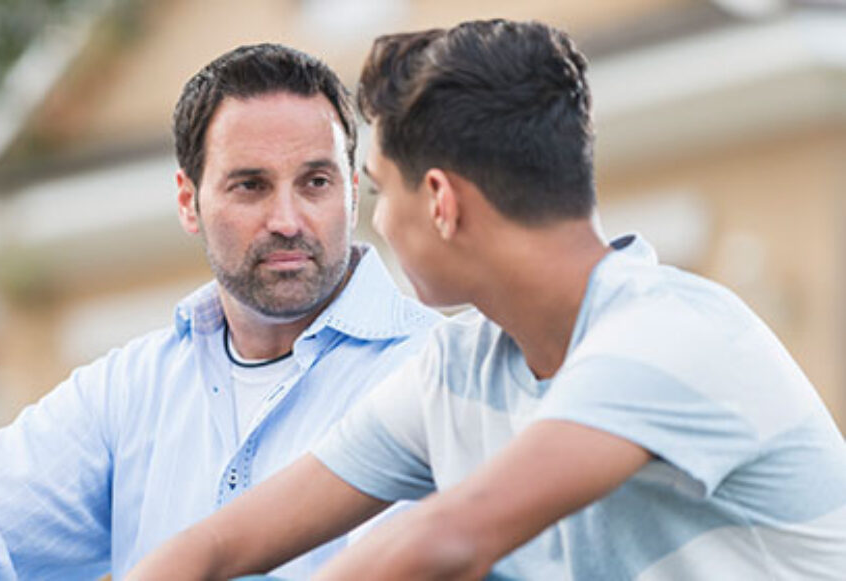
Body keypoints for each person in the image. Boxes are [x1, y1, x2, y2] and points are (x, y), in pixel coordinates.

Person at [127, 19, 846, 580]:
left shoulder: (672, 335)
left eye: (376, 188)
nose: (371, 222)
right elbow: (220, 544)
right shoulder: (458, 370)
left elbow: (446, 542)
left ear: (439, 200)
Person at [0, 44, 441, 580]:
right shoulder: (133, 390)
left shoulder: (438, 373)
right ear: (187, 201)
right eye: (250, 185)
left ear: (353, 190)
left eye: (315, 182)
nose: (288, 220)